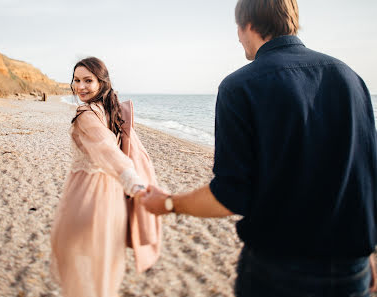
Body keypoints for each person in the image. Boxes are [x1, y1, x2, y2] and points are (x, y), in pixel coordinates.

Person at [140, 0, 377, 296]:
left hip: (279, 271)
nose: (238, 38)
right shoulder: (350, 78)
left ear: (248, 25)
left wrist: (169, 204)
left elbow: (230, 197)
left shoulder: (239, 87)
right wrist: (370, 253)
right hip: (351, 269)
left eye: (237, 29)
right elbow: (367, 176)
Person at [50, 57, 149, 297]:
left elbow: (106, 148)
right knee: (103, 261)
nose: (80, 87)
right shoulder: (111, 109)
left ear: (101, 82)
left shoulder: (86, 113)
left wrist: (131, 179)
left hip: (87, 195)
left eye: (88, 81)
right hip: (112, 195)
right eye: (76, 80)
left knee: (75, 259)